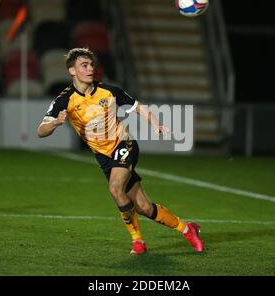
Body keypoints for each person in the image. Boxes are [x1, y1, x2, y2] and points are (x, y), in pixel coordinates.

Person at [37, 48, 203, 254]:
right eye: (84, 65)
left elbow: (138, 107)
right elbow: (41, 131)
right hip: (104, 157)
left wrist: (156, 124)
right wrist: (55, 124)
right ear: (72, 70)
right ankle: (187, 229)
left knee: (115, 189)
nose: (90, 69)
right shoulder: (65, 99)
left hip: (124, 144)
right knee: (143, 207)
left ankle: (138, 242)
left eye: (91, 65)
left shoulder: (109, 91)